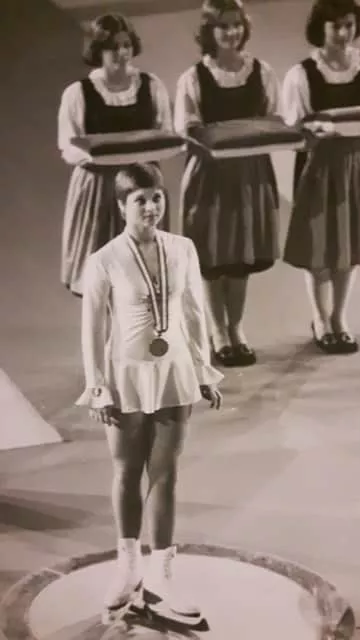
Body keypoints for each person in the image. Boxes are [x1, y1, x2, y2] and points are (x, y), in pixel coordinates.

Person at [76, 163, 223, 623]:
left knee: (165, 474)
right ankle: (128, 569)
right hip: (125, 376)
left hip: (174, 371)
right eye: (140, 199)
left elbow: (195, 312)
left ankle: (163, 574)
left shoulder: (182, 248)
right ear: (122, 205)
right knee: (126, 471)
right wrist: (97, 386)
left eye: (157, 197)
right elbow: (92, 329)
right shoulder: (104, 260)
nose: (151, 207)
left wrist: (203, 370)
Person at [281, 0, 360, 354]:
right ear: (321, 28)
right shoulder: (302, 74)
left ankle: (339, 318)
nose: (344, 33)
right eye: (336, 26)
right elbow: (295, 129)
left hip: (357, 164)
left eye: (349, 24)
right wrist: (317, 132)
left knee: (349, 243)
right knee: (319, 246)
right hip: (318, 166)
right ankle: (320, 319)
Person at [174, 0, 281, 367]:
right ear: (209, 31)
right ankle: (217, 330)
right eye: (223, 26)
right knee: (213, 257)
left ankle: (236, 327)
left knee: (240, 257)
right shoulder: (193, 78)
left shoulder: (262, 72)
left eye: (237, 25)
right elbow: (187, 129)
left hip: (250, 174)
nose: (232, 33)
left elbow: (273, 119)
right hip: (210, 176)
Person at [58, 13, 172, 297]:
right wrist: (102, 156)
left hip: (143, 187)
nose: (121, 53)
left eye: (126, 45)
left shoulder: (151, 86)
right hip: (99, 190)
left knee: (141, 282)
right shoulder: (78, 93)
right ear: (98, 51)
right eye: (113, 47)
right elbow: (68, 146)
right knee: (102, 281)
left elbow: (166, 133)